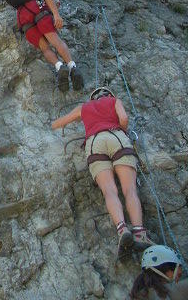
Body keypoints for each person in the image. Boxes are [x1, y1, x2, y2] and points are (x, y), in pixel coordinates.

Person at [51, 87, 154, 257]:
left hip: (94, 142)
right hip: (116, 137)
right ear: (109, 95)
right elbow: (124, 118)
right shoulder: (114, 101)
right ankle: (139, 233)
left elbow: (58, 123)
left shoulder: (84, 107)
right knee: (130, 190)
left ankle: (122, 229)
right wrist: (123, 131)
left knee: (109, 191)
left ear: (93, 99)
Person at [11, 0, 84, 91]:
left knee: (45, 48)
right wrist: (56, 14)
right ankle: (72, 67)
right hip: (38, 11)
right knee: (56, 41)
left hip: (23, 17)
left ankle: (59, 66)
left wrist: (52, 7)